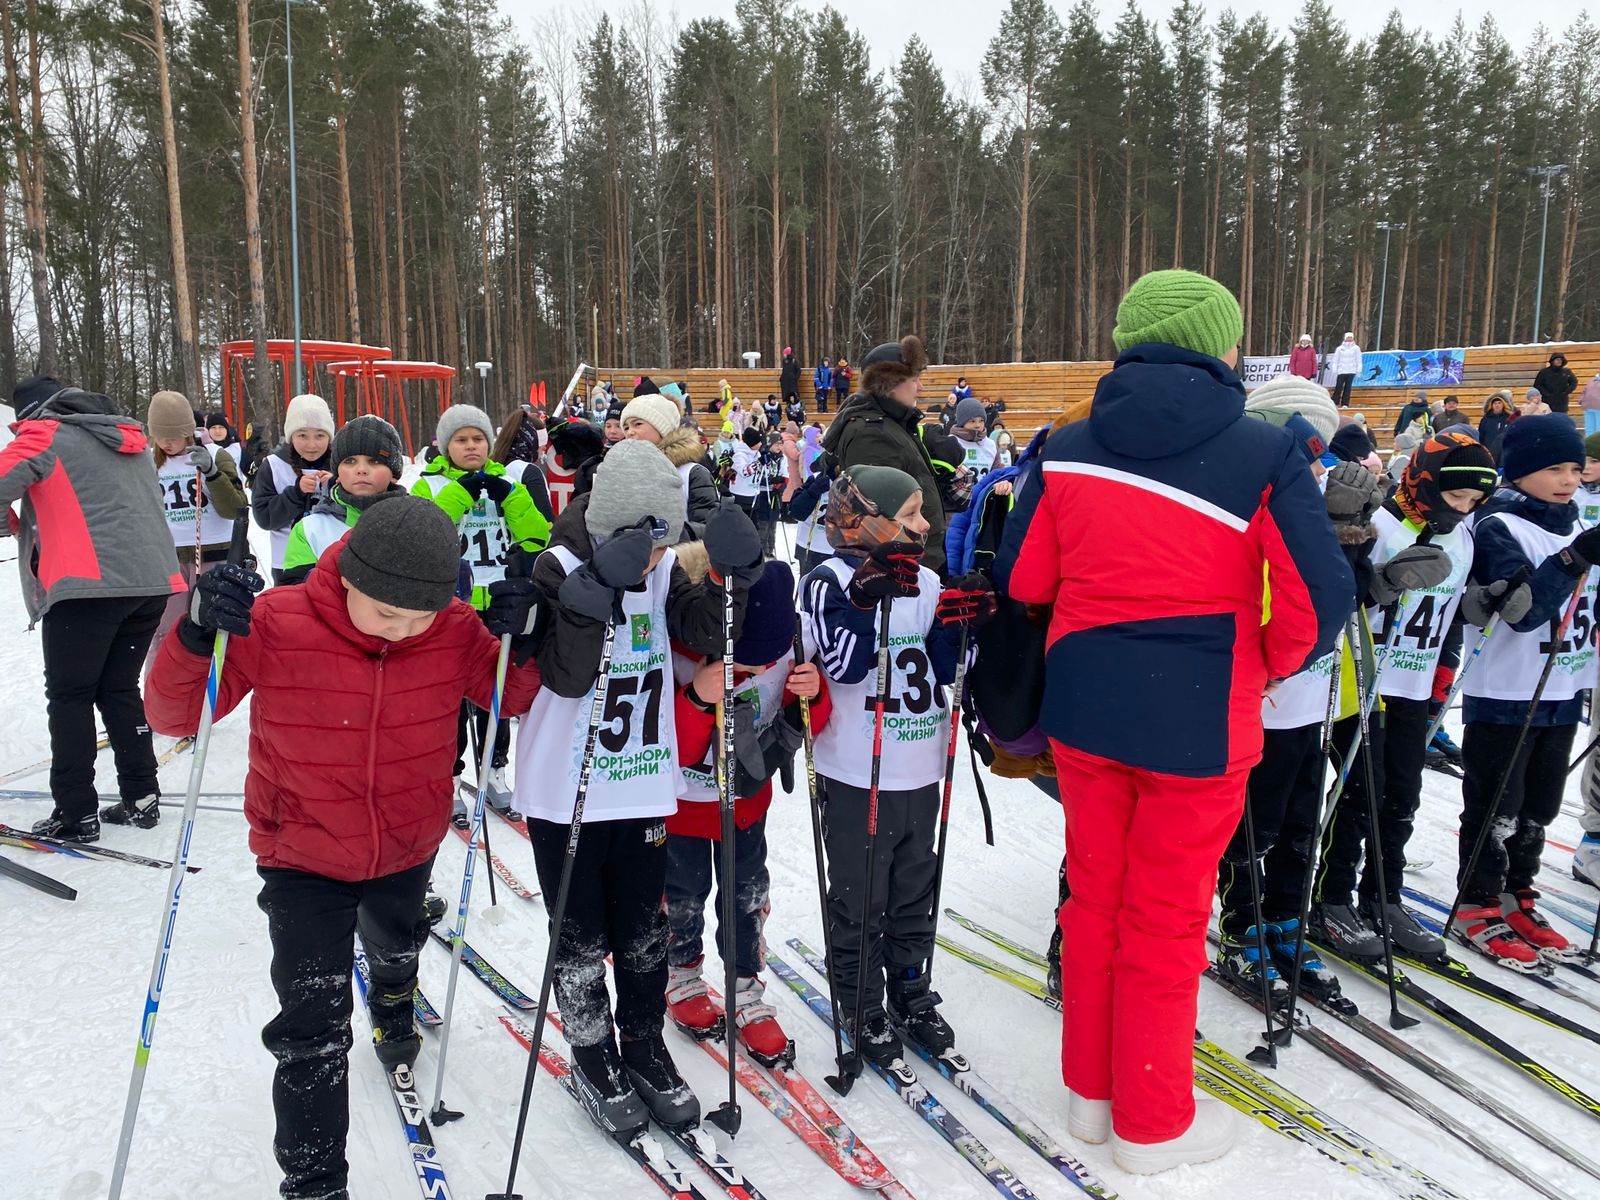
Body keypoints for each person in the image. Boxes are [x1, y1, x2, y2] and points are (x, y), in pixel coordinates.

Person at [995, 270, 1351, 1174]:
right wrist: (1264, 663)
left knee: (1096, 901)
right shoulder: (1262, 452)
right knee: (1165, 919)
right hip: (1199, 720)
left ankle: (1092, 1100)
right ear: (1220, 347)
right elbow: (1319, 596)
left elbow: (1026, 581)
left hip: (1083, 710)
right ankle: (1153, 1126)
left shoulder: (1066, 444)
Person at [144, 495, 542, 1200]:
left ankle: (394, 992)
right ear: (348, 578)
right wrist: (198, 637)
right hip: (301, 849)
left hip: (406, 837)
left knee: (396, 941)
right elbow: (175, 715)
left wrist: (527, 637)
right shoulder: (276, 622)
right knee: (311, 1029)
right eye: (390, 614)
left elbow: (508, 696)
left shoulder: (450, 630)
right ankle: (315, 1183)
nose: (405, 630)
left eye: (421, 616)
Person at [513, 440, 763, 1134]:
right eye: (648, 549)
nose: (657, 564)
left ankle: (644, 1041)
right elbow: (565, 677)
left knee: (644, 926)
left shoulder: (663, 569)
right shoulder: (555, 565)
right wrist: (592, 594)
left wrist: (728, 579)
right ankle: (592, 1048)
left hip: (641, 780)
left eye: (664, 548)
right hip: (569, 787)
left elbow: (707, 633)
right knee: (582, 932)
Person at [801, 465, 994, 1067]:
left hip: (918, 763)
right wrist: (864, 598)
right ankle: (858, 999)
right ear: (869, 519)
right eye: (908, 514)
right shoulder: (827, 579)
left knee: (915, 887)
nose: (923, 524)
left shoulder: (927, 580)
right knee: (861, 894)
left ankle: (909, 985)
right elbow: (846, 664)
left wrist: (962, 625)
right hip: (859, 769)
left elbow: (939, 673)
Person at [1310, 432, 1498, 964]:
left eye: (1473, 503)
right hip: (1362, 684)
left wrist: (1481, 605)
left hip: (1413, 686)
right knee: (1359, 795)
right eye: (1454, 496)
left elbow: (1447, 608)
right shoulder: (1380, 526)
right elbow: (1339, 600)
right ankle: (1331, 902)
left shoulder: (1460, 538)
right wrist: (1380, 584)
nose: (1462, 511)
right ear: (1425, 481)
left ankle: (1382, 896)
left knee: (1401, 797)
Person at [1217, 385, 1362, 1004]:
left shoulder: (1324, 509)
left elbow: (1343, 603)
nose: (1313, 467)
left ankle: (1284, 920)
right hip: (1266, 697)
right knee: (1258, 823)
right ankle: (1241, 925)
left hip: (1318, 698)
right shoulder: (1246, 498)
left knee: (1304, 819)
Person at [2, 377, 183, 842]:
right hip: (151, 581)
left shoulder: (42, 433)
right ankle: (142, 796)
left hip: (87, 587)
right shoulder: (126, 434)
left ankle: (75, 811)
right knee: (118, 689)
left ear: (29, 414)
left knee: (70, 697)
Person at [665, 558, 826, 1063]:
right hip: (683, 806)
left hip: (745, 804)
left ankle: (744, 987)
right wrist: (696, 696)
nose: (756, 673)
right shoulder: (681, 649)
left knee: (746, 896)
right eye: (745, 665)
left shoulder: (788, 642)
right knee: (682, 896)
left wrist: (812, 696)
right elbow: (671, 746)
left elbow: (807, 723)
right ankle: (682, 975)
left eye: (764, 664)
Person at [1455, 415, 1596, 967]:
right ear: (1519, 473)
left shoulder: (1579, 519)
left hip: (1565, 684)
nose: (1567, 479)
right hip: (1507, 688)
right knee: (1498, 804)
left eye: (1575, 468)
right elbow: (1523, 612)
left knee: (1540, 803)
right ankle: (1478, 900)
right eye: (1552, 468)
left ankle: (1518, 890)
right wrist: (1573, 559)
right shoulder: (1499, 526)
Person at [412, 404, 552, 819]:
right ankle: (450, 776)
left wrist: (509, 498)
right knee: (452, 696)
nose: (471, 446)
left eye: (478, 439)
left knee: (496, 693)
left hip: (500, 602)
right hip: (453, 604)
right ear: (445, 444)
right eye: (461, 440)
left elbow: (536, 535)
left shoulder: (509, 478)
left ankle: (494, 769)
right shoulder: (431, 484)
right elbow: (425, 533)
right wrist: (462, 494)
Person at [142, 390, 249, 675]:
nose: (167, 441)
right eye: (161, 435)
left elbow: (236, 508)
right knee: (166, 632)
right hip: (169, 560)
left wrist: (212, 473)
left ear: (189, 430)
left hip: (213, 555)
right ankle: (159, 697)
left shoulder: (216, 454)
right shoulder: (148, 461)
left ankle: (204, 697)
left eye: (175, 434)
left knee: (210, 630)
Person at [822, 335, 948, 576]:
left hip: (916, 565)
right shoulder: (872, 433)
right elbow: (877, 522)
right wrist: (900, 575)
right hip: (902, 572)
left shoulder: (892, 425)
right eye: (915, 379)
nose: (920, 388)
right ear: (890, 384)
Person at [281, 416, 408, 584]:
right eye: (350, 461)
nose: (361, 469)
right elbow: (296, 599)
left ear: (394, 474)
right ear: (337, 473)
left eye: (375, 461)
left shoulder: (416, 525)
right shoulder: (310, 530)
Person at [252, 394, 336, 583]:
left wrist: (336, 487)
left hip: (334, 563)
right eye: (302, 435)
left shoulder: (342, 465)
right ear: (291, 436)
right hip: (288, 566)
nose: (312, 444)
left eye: (320, 435)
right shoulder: (274, 465)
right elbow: (264, 518)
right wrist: (296, 493)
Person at [622, 390, 720, 537]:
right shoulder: (624, 470)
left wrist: (663, 537)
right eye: (626, 427)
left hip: (678, 557)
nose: (630, 432)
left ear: (662, 427)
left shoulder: (692, 473)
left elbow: (708, 529)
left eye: (637, 424)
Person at [949, 397, 997, 476]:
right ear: (962, 422)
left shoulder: (991, 445)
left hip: (986, 488)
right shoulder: (951, 442)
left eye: (981, 421)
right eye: (972, 421)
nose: (978, 425)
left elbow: (997, 475)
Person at [1330, 332, 1362, 407]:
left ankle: (1345, 403)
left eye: (1351, 338)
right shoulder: (1339, 348)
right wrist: (1335, 369)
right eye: (1348, 338)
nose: (1350, 339)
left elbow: (1359, 360)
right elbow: (1336, 359)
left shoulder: (1356, 348)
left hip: (1351, 370)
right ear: (1345, 338)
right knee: (1339, 386)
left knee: (1348, 388)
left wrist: (1358, 370)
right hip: (1341, 370)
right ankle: (1335, 402)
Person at [780, 347, 801, 413]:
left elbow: (798, 371)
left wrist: (795, 378)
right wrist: (781, 378)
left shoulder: (794, 361)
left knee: (793, 394)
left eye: (785, 354)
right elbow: (784, 370)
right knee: (786, 395)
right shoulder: (784, 361)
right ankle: (788, 406)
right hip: (785, 381)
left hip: (792, 382)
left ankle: (794, 407)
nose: (784, 355)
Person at [1580, 371, 1600, 438]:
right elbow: (1585, 391)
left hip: (1598, 408)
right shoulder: (1591, 380)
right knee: (1589, 428)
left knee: (1598, 428)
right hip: (1588, 407)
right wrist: (1581, 400)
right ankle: (1589, 444)